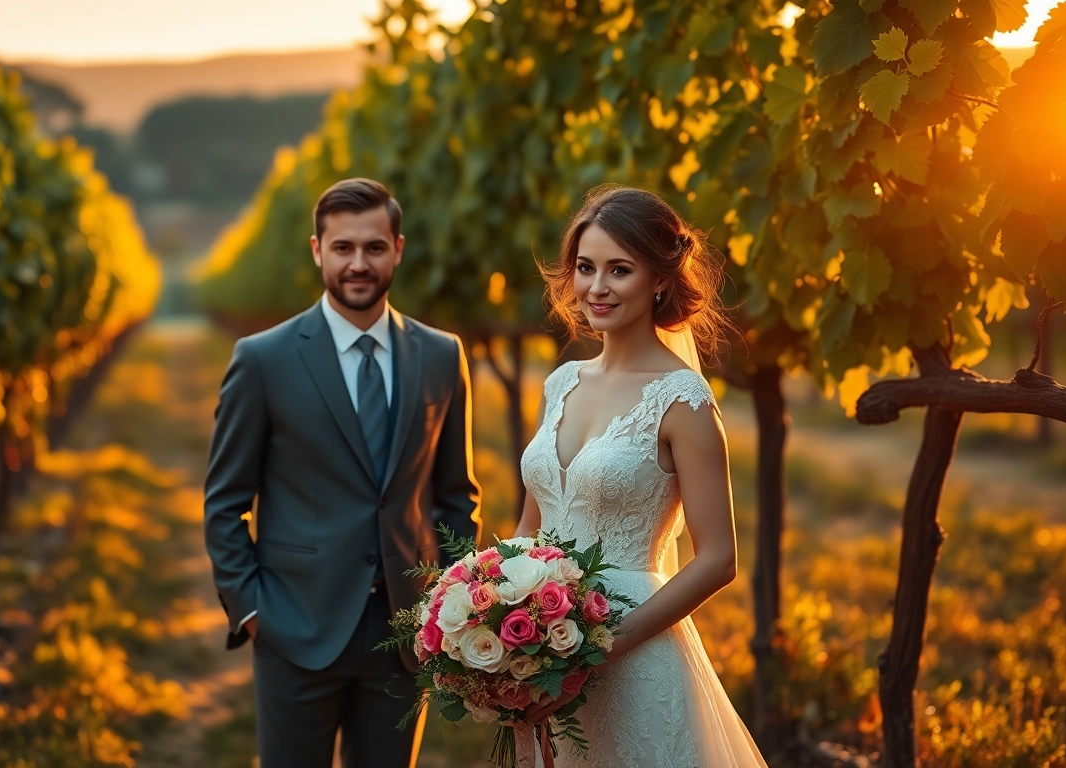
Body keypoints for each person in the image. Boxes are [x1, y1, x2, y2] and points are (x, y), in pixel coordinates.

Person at [203, 178, 482, 768]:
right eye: (343, 248)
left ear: (397, 249)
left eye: (374, 247)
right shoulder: (263, 359)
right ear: (317, 251)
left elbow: (456, 496)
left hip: (405, 631)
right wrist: (252, 612)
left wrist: (447, 604)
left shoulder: (442, 355)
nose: (359, 263)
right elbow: (225, 502)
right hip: (294, 626)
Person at [513, 186, 768, 766]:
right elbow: (531, 526)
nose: (597, 287)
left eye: (619, 270)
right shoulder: (561, 383)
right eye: (586, 268)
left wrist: (596, 653)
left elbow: (717, 559)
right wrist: (498, 614)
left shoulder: (683, 401)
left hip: (634, 652)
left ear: (658, 280)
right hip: (542, 650)